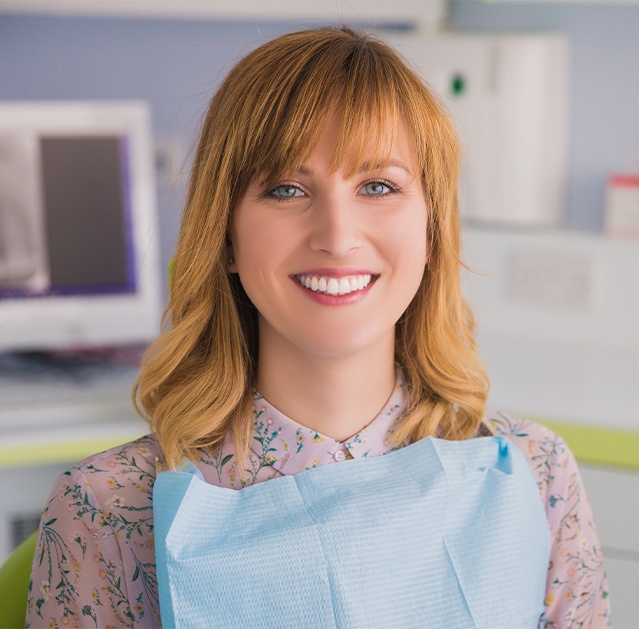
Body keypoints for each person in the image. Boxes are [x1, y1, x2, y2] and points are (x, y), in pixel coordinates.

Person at [26, 26, 610, 628]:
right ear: (225, 236)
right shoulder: (111, 509)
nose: (336, 236)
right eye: (286, 189)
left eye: (378, 186)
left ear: (433, 231)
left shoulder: (537, 475)